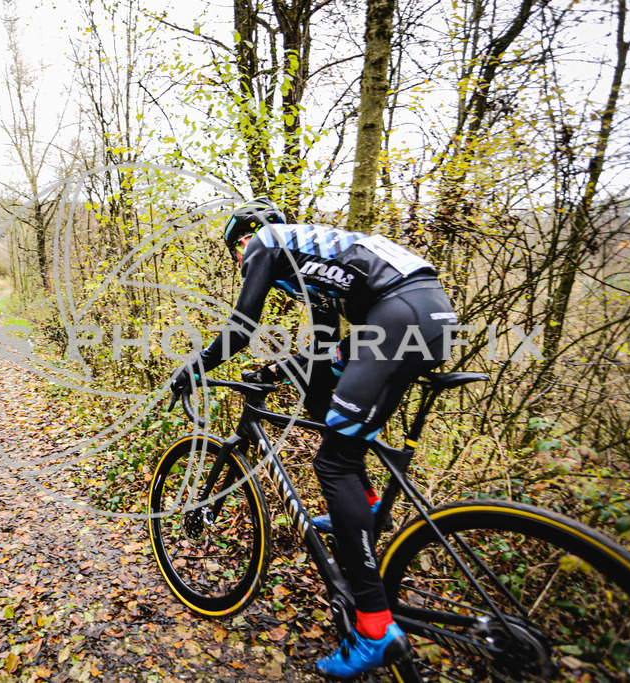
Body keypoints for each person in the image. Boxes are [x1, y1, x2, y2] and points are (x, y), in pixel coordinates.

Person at [169, 197, 458, 679]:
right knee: (338, 411)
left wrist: (194, 369)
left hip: (399, 315)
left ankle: (373, 629)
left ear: (243, 238)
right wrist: (281, 368)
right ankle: (362, 501)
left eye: (234, 252)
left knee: (332, 463)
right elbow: (324, 353)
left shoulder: (264, 243)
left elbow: (241, 329)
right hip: (430, 313)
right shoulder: (314, 263)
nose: (240, 260)